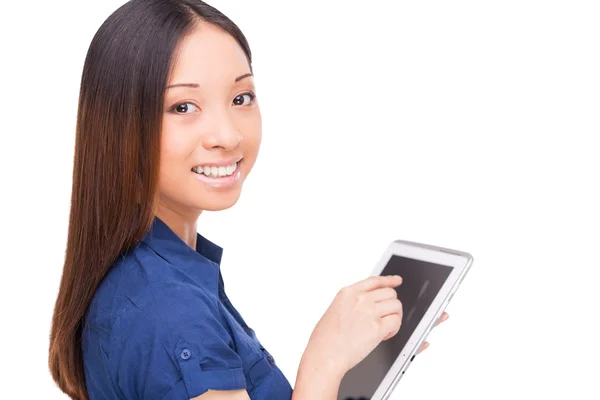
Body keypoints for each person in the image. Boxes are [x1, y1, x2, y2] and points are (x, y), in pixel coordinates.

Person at [48, 1, 448, 399]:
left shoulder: (161, 275)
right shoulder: (170, 308)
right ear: (120, 125)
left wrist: (348, 362)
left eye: (241, 97)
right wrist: (324, 363)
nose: (228, 135)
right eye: (183, 106)